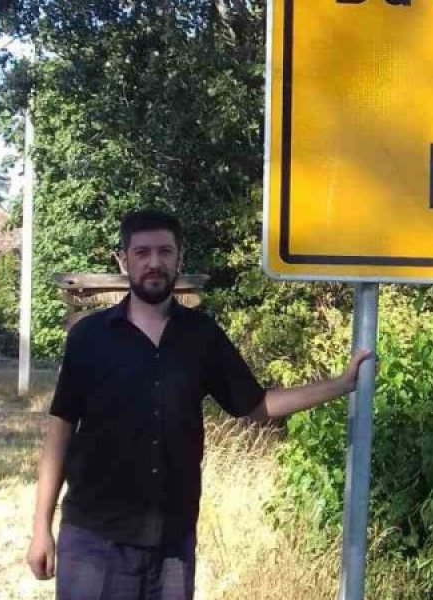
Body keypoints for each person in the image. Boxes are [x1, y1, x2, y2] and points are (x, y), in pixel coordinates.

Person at [25, 209, 372, 599]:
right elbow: (60, 430)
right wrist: (41, 528)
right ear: (123, 260)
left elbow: (257, 406)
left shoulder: (202, 336)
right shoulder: (90, 336)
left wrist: (340, 385)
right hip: (95, 541)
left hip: (172, 543)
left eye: (164, 251)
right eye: (141, 252)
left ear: (179, 257)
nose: (154, 262)